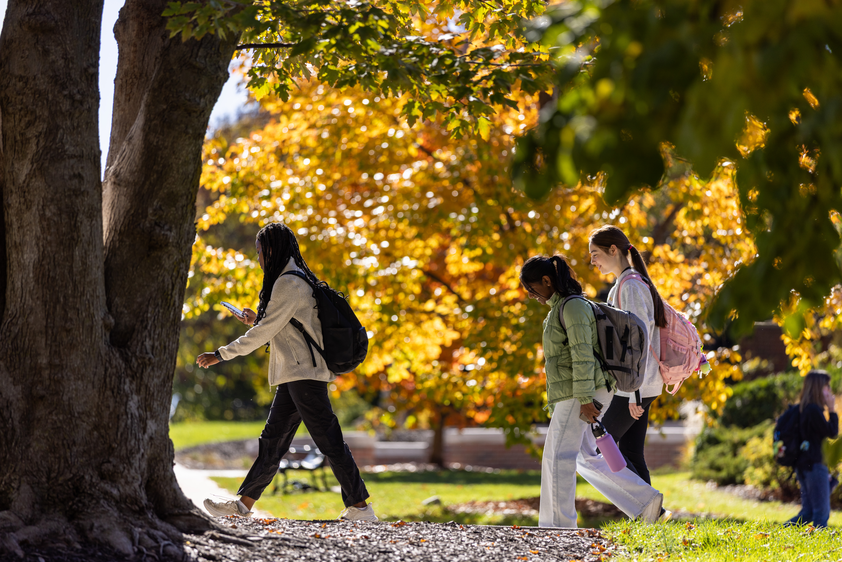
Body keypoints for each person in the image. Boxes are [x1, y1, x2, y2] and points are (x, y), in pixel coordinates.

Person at [196, 222, 377, 522]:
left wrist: (220, 354)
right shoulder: (289, 279)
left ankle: (361, 508)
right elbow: (276, 327)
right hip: (294, 375)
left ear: (271, 249)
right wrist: (258, 320)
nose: (258, 259)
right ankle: (243, 506)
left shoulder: (289, 283)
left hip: (304, 375)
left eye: (259, 252)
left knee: (328, 440)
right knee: (273, 442)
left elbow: (264, 332)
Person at [520, 255, 666, 528]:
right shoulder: (564, 307)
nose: (531, 296)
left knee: (558, 457)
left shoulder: (573, 308)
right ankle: (646, 502)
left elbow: (583, 356)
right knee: (584, 457)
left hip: (581, 393)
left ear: (547, 280)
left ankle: (557, 528)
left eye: (532, 289)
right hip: (583, 391)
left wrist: (586, 400)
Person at [588, 225, 665, 485]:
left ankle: (649, 507)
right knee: (630, 451)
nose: (592, 261)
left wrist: (634, 394)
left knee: (601, 446)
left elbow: (637, 340)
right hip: (641, 385)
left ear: (613, 249)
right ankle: (651, 515)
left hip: (635, 386)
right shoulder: (624, 284)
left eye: (595, 254)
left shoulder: (630, 286)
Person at [786, 369, 838, 529]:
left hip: (804, 465)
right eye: (827, 386)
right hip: (814, 465)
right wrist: (832, 409)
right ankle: (820, 547)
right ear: (818, 388)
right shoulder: (814, 410)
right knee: (821, 513)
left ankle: (778, 533)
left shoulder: (803, 408)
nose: (829, 390)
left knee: (808, 512)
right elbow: (832, 432)